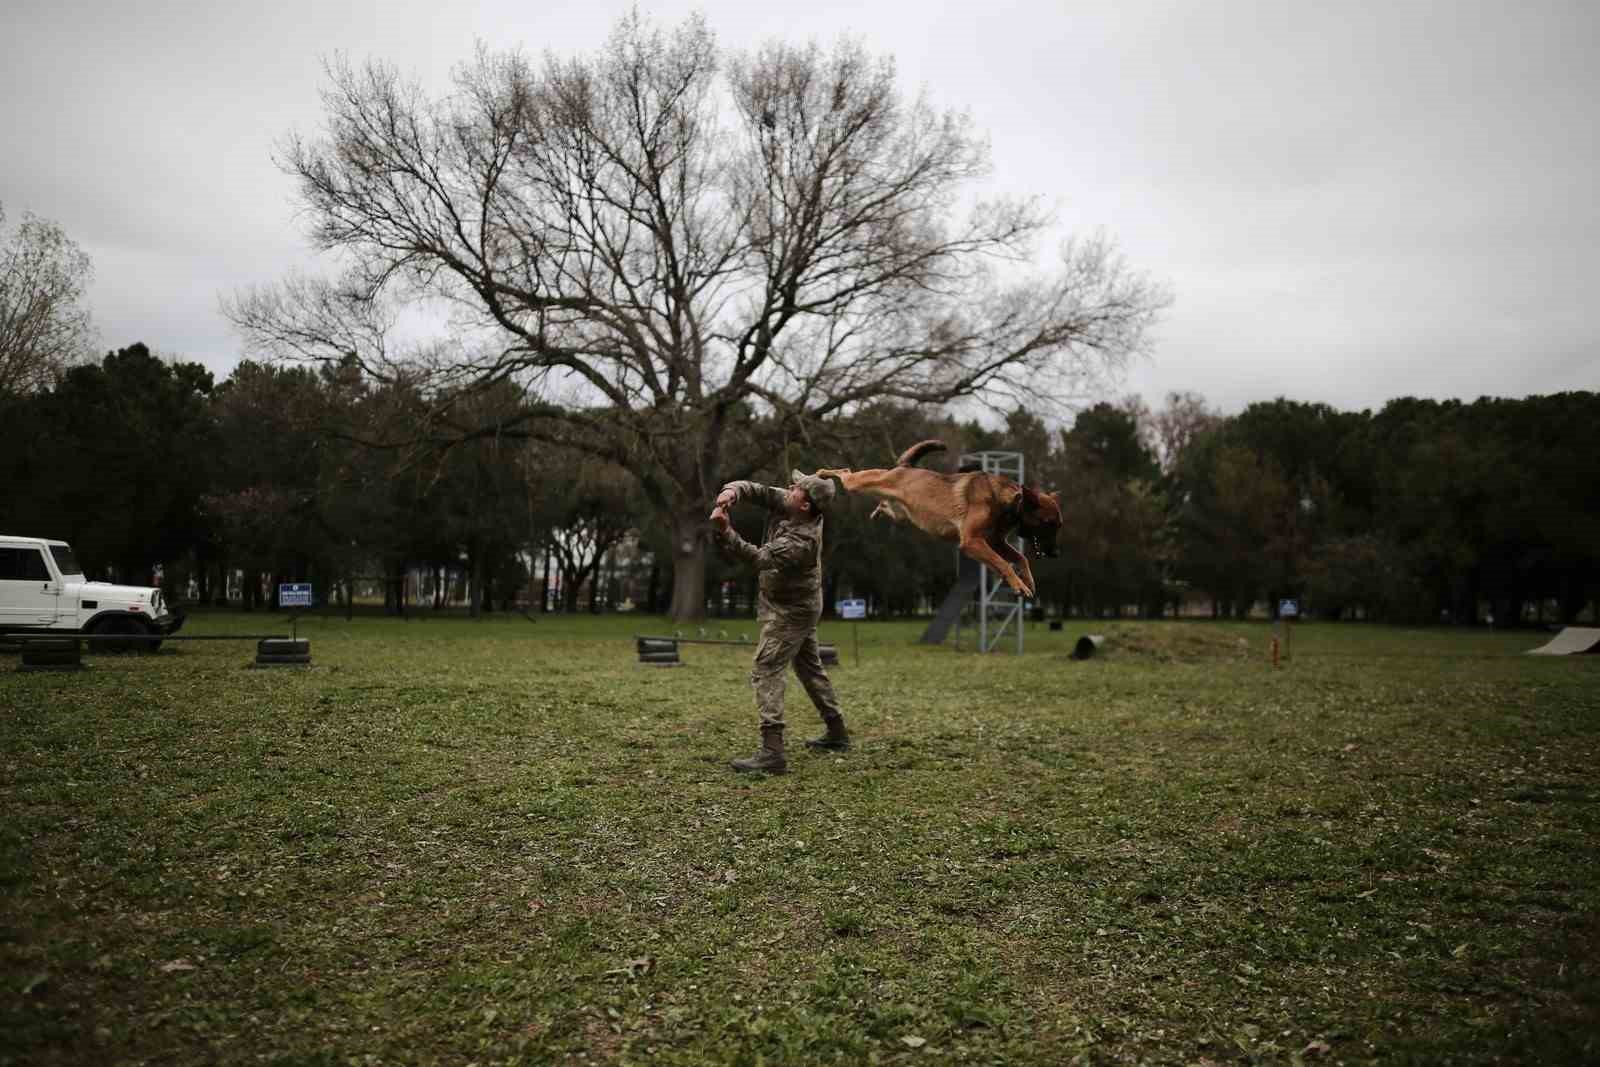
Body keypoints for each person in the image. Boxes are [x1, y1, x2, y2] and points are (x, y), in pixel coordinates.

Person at [709, 470, 850, 774]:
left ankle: (772, 753)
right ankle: (837, 731)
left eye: (798, 487)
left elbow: (760, 558)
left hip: (793, 610)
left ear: (805, 506)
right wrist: (730, 491)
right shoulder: (790, 502)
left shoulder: (802, 540)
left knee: (766, 667)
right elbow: (755, 490)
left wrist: (726, 532)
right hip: (794, 602)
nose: (790, 487)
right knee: (809, 668)